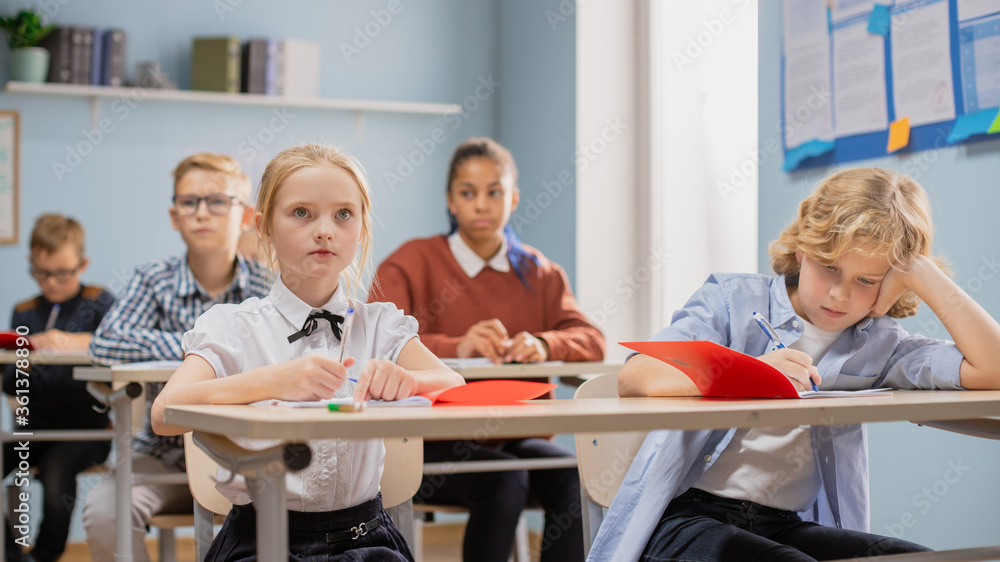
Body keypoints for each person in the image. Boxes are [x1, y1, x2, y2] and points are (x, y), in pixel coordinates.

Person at [594, 168, 1000, 561]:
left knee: (919, 560)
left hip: (784, 524)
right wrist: (751, 373)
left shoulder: (879, 343)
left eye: (866, 280)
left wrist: (921, 272)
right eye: (830, 268)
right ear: (804, 248)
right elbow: (637, 376)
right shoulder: (732, 301)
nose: (840, 295)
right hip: (684, 520)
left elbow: (992, 369)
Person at [151, 143, 465, 561]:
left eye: (343, 215)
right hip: (260, 539)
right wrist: (273, 381)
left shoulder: (380, 323)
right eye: (302, 213)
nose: (324, 230)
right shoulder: (234, 326)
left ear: (361, 229)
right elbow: (165, 411)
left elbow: (454, 386)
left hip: (368, 540)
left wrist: (411, 381)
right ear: (263, 227)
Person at [368, 137, 604, 561]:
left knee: (571, 474)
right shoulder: (410, 261)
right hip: (428, 442)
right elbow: (375, 338)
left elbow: (590, 339)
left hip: (514, 434)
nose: (481, 204)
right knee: (505, 480)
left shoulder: (539, 271)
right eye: (468, 192)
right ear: (451, 201)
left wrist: (544, 343)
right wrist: (459, 345)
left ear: (513, 199)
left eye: (494, 192)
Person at [82, 153, 271, 562]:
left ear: (245, 215)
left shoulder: (267, 283)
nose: (201, 212)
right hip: (163, 456)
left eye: (218, 200)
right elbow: (107, 341)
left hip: (251, 454)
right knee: (104, 513)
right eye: (189, 202)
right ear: (174, 215)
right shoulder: (153, 278)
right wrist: (200, 348)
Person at [2, 214, 115, 562]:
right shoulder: (24, 310)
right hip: (34, 427)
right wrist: (22, 360)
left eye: (63, 273)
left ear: (82, 264)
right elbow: (13, 383)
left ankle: (44, 556)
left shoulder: (99, 301)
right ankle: (11, 552)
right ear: (31, 264)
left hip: (86, 431)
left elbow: (120, 346)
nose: (51, 282)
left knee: (56, 478)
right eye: (41, 272)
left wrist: (70, 342)